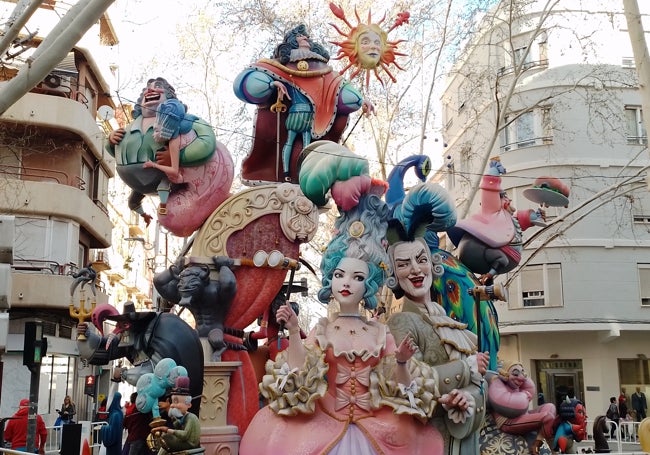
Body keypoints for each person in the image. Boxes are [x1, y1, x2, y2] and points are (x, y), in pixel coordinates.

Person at [240, 193, 451, 454]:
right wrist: (294, 331)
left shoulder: (379, 332)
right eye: (340, 275)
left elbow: (402, 388)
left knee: (412, 436)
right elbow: (297, 373)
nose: (347, 283)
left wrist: (401, 361)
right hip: (326, 419)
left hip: (372, 422)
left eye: (357, 276)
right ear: (331, 280)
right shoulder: (323, 330)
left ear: (369, 285)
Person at [386, 235, 489, 455]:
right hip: (430, 441)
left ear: (432, 265)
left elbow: (480, 380)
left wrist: (469, 396)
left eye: (421, 260)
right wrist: (465, 368)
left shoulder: (452, 321)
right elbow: (410, 387)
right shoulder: (401, 321)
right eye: (404, 264)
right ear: (394, 275)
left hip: (465, 440)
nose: (415, 270)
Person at [233, 24, 373, 183]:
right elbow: (257, 80)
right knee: (289, 143)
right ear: (293, 41)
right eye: (301, 36)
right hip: (295, 114)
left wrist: (362, 100)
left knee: (308, 147)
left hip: (309, 119)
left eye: (306, 36)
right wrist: (272, 84)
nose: (306, 38)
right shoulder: (279, 68)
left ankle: (303, 172)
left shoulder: (326, 73)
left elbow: (342, 89)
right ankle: (286, 172)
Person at [487, 361, 557, 454]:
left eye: (522, 372)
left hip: (523, 415)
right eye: (515, 373)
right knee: (547, 417)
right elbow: (507, 403)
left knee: (550, 407)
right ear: (505, 374)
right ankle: (537, 445)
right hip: (507, 421)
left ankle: (541, 439)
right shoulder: (498, 385)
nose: (520, 377)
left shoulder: (519, 387)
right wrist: (523, 395)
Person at [151, 376, 201, 454]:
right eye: (173, 402)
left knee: (166, 439)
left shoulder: (191, 418)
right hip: (185, 441)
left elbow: (184, 435)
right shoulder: (184, 417)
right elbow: (178, 427)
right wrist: (173, 418)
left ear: (188, 404)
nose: (172, 405)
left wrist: (167, 430)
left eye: (176, 402)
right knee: (164, 436)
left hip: (190, 443)